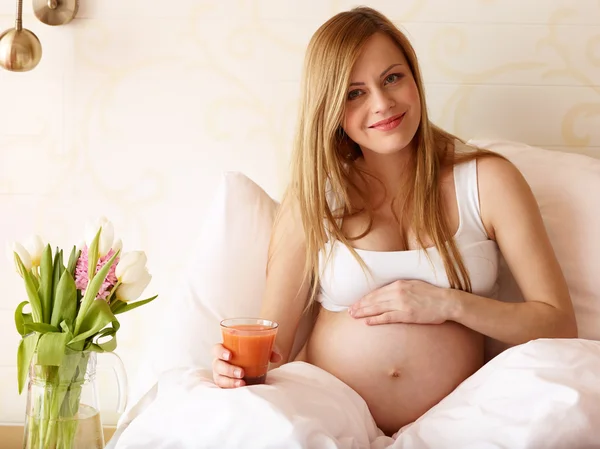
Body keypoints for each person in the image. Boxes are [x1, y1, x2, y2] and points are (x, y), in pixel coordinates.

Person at [212, 6, 577, 437]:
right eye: (354, 93)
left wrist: (449, 304)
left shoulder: (487, 181)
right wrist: (233, 368)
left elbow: (558, 324)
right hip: (336, 416)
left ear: (414, 78)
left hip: (467, 417)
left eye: (392, 78)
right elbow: (275, 344)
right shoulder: (314, 198)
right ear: (329, 108)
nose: (382, 104)